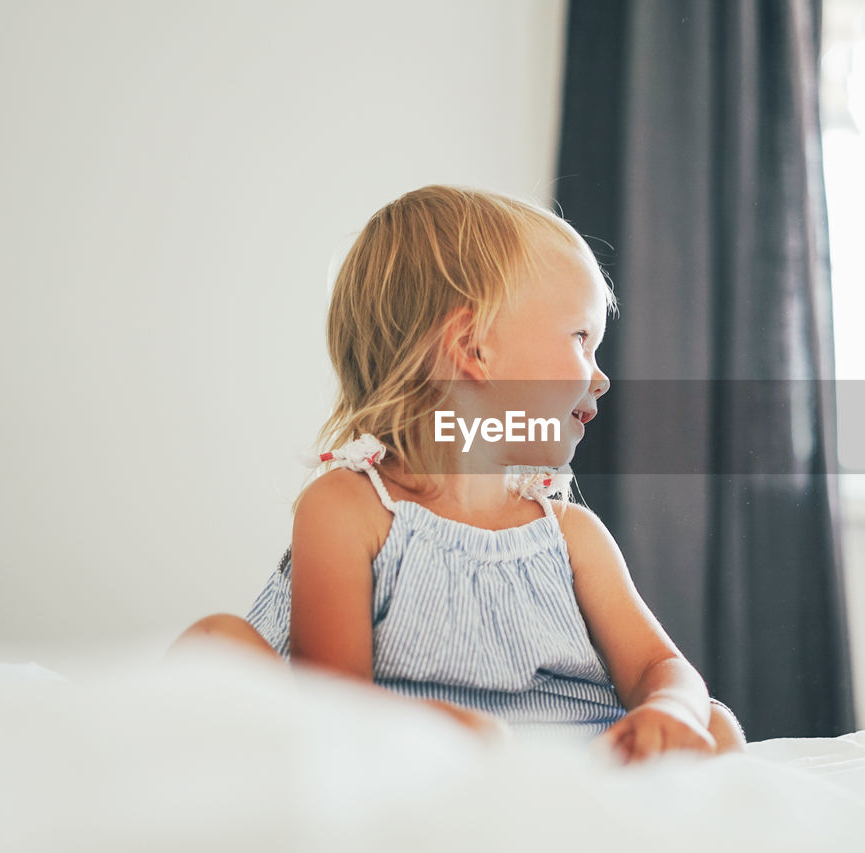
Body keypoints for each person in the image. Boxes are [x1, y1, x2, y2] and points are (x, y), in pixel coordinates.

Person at [172, 186, 745, 763]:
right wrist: (454, 737)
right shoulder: (348, 510)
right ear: (474, 348)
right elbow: (336, 706)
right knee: (216, 643)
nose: (601, 378)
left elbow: (659, 666)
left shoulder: (573, 537)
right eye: (581, 340)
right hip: (406, 756)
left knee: (715, 724)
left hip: (570, 758)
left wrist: (668, 710)